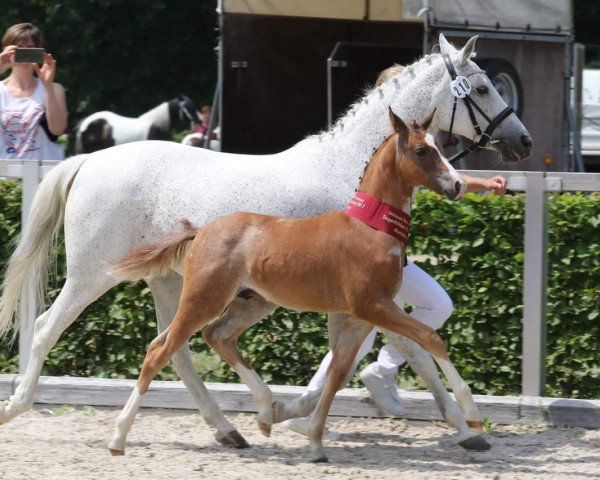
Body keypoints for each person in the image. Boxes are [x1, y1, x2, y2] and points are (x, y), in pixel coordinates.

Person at [284, 174, 508, 437]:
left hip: (395, 261)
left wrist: (486, 184)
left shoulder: (411, 154)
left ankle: (383, 369)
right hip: (363, 264)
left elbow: (445, 175)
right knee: (357, 341)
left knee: (438, 305)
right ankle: (307, 411)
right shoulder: (388, 156)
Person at [0, 22, 67, 160]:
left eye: (30, 48)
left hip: (44, 176)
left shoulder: (54, 88)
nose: (24, 53)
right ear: (6, 51)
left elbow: (58, 129)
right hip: (4, 177)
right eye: (18, 49)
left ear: (38, 52)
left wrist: (47, 86)